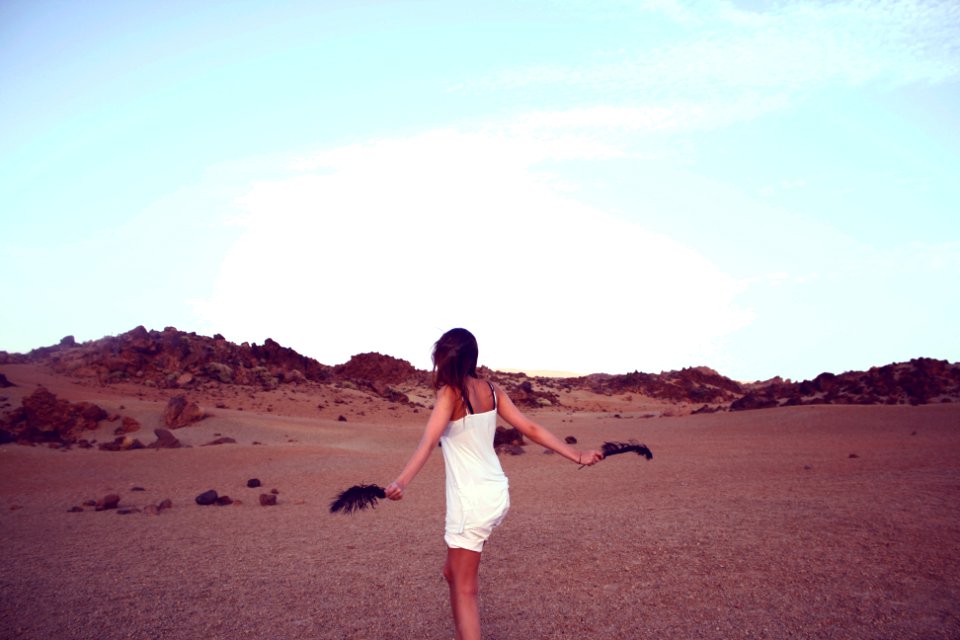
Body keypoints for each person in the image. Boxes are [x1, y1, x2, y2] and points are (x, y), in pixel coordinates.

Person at [385, 328, 603, 640]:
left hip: (470, 501)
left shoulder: (450, 393)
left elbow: (428, 441)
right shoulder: (492, 389)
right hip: (495, 492)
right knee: (453, 573)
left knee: (466, 590)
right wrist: (576, 455)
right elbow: (529, 427)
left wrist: (401, 482)